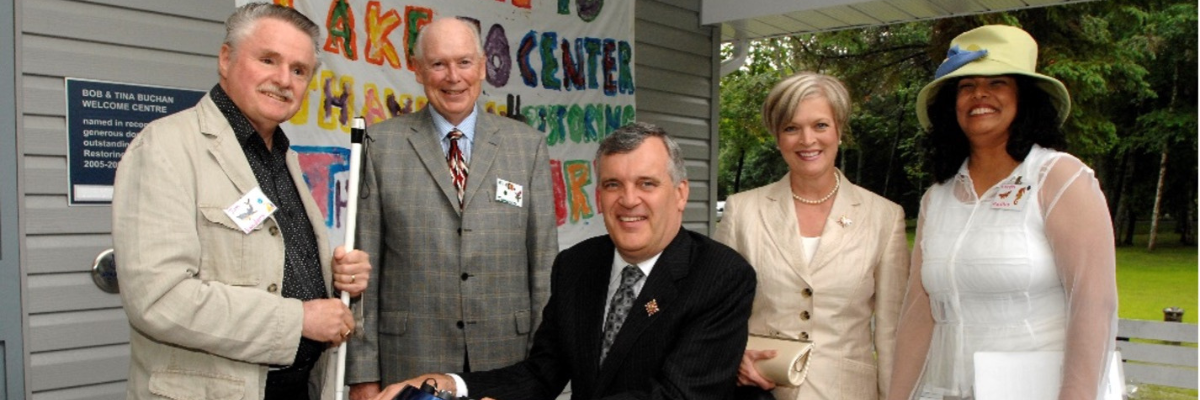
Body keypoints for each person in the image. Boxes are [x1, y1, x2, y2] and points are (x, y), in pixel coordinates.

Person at [371, 122, 757, 400]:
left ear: (680, 193)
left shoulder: (721, 277)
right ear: (597, 196)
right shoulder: (576, 266)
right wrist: (453, 384)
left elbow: (677, 395)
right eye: (612, 185)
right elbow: (542, 373)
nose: (628, 200)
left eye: (647, 184)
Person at [111, 3, 372, 399]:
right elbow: (159, 300)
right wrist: (298, 319)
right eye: (268, 60)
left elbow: (269, 269)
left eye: (299, 70)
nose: (284, 80)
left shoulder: (284, 158)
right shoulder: (165, 147)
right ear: (226, 58)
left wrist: (338, 286)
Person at [887, 25, 1118, 400]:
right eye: (966, 86)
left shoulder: (1059, 177)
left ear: (1023, 97)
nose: (980, 94)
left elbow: (1093, 304)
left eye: (997, 83)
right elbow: (918, 314)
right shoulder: (937, 198)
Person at [346, 17, 559, 399]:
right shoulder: (382, 146)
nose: (453, 77)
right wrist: (362, 375)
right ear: (418, 70)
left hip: (506, 358)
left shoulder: (527, 148)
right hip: (408, 358)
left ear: (481, 67)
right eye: (438, 64)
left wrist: (545, 368)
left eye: (463, 62)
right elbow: (364, 272)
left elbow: (544, 267)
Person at [714, 72, 910, 400]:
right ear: (777, 137)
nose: (807, 140)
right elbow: (712, 312)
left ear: (839, 130)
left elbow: (891, 335)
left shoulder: (885, 218)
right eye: (792, 128)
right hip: (760, 392)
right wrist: (735, 356)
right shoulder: (742, 212)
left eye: (820, 125)